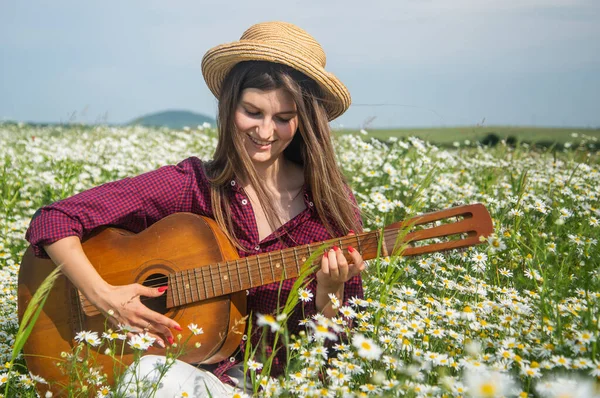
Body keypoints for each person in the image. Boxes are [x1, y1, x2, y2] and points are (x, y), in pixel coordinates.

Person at [25, 21, 365, 396]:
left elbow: (334, 360)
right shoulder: (195, 185)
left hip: (276, 387)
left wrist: (328, 297)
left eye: (283, 119)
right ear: (228, 106)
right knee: (159, 378)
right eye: (252, 112)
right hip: (194, 381)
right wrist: (105, 296)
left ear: (304, 123)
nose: (266, 132)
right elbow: (54, 220)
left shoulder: (331, 211)